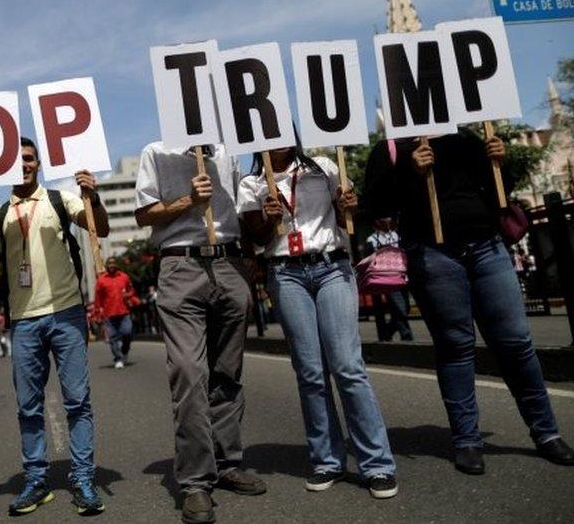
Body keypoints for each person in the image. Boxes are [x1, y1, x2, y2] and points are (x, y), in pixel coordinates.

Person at [364, 130, 574, 473]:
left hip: (487, 248)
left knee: (517, 341)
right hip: (433, 255)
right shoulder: (391, 149)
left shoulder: (466, 136)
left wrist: (498, 162)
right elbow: (376, 208)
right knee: (455, 346)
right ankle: (466, 440)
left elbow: (498, 193)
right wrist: (410, 172)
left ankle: (547, 432)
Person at [240, 143, 398, 499]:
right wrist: (269, 217)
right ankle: (327, 459)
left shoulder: (324, 167)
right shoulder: (251, 183)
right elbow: (258, 237)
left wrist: (349, 207)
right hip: (285, 274)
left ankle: (377, 464)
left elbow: (349, 222)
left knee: (347, 366)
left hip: (331, 267)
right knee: (310, 372)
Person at [0, 137, 109, 516]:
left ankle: (83, 478)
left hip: (66, 314)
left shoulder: (61, 200)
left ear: (39, 164)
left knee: (77, 402)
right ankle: (36, 481)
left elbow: (102, 229)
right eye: (15, 161)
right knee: (28, 407)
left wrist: (92, 197)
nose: (23, 165)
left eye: (29, 159)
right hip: (23, 320)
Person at [135, 142, 266, 524]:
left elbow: (240, 213)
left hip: (229, 263)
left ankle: (226, 463)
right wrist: (188, 200)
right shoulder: (156, 152)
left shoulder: (227, 152)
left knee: (227, 372)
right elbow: (144, 214)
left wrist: (252, 254)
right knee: (190, 373)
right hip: (180, 266)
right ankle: (195, 482)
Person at [365, 219, 413, 342]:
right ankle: (406, 335)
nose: (387, 220)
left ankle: (387, 332)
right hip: (387, 279)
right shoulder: (371, 240)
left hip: (402, 276)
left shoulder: (396, 235)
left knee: (405, 308)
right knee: (399, 307)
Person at [94, 257, 137, 368]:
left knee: (127, 332)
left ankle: (124, 351)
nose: (112, 265)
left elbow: (131, 290)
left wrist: (128, 295)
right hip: (109, 314)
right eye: (109, 263)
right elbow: (98, 299)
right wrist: (97, 313)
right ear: (106, 266)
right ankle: (118, 358)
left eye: (113, 263)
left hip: (124, 312)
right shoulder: (101, 280)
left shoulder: (124, 277)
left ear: (116, 265)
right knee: (113, 338)